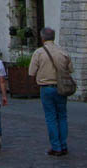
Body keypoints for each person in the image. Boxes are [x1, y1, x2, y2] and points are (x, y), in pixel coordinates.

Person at [30, 27, 73, 156]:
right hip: (61, 87)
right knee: (62, 116)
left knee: (51, 117)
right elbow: (70, 69)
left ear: (42, 38)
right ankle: (63, 144)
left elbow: (31, 72)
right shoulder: (62, 51)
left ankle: (56, 146)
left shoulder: (39, 53)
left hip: (46, 87)